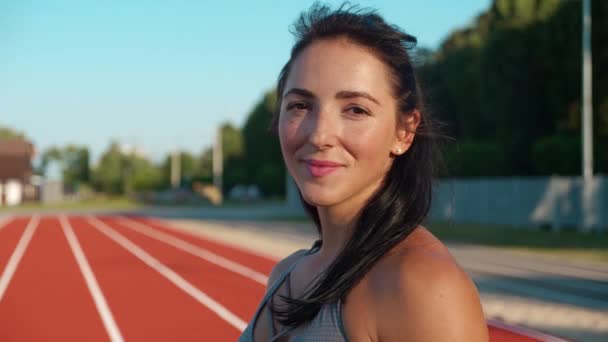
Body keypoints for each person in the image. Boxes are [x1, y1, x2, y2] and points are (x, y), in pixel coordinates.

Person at [239, 3, 488, 341]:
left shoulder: (422, 287)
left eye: (355, 109)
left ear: (404, 131)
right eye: (300, 105)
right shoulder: (286, 273)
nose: (319, 135)